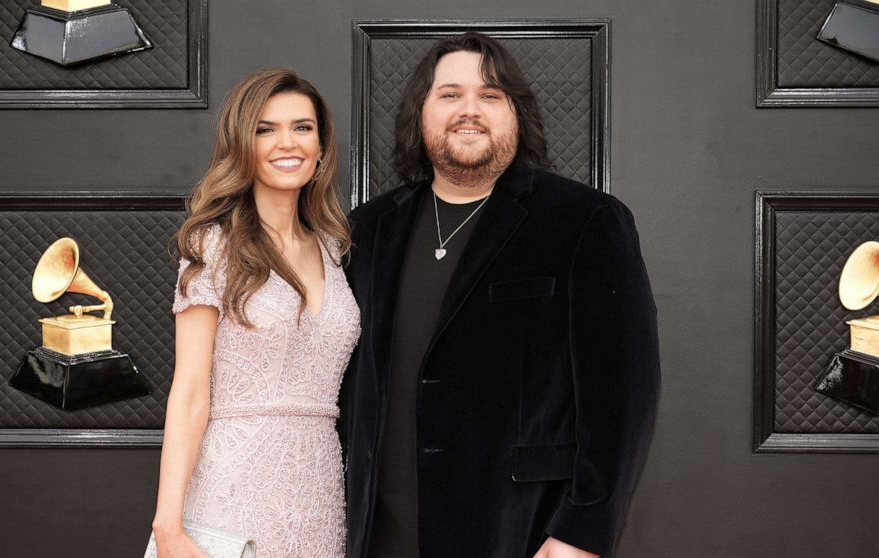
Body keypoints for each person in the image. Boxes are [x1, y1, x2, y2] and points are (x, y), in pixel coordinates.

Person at [340, 33, 660, 558]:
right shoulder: (369, 229)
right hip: (379, 536)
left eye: (490, 95)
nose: (470, 110)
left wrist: (583, 533)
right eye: (450, 94)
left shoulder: (584, 221)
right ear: (420, 113)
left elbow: (623, 398)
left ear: (516, 115)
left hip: (518, 532)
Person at [150, 69, 360, 558]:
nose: (287, 142)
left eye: (302, 127)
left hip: (319, 492)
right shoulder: (213, 243)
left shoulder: (334, 245)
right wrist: (168, 526)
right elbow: (189, 390)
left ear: (322, 145)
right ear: (242, 145)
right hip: (230, 493)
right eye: (266, 129)